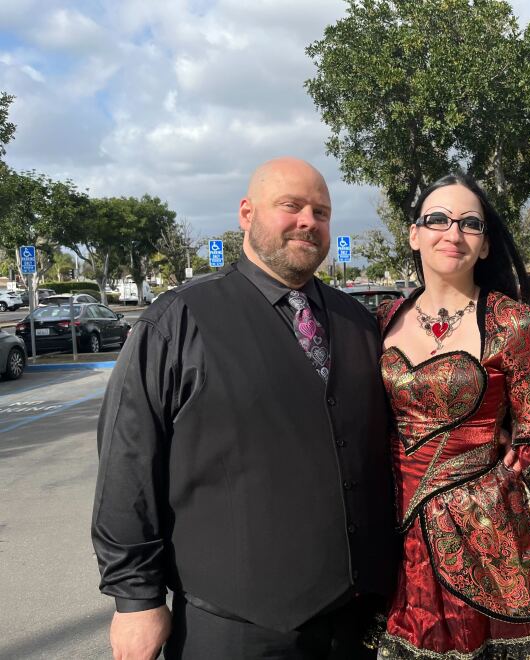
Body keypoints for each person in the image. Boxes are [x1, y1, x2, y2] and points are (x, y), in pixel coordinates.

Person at [91, 157, 398, 659]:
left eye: (321, 212)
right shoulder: (178, 321)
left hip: (356, 619)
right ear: (246, 213)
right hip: (236, 627)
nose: (308, 221)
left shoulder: (357, 322)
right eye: (291, 206)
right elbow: (128, 462)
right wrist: (136, 598)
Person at [375, 173, 530, 659]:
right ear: (414, 234)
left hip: (483, 534)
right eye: (437, 219)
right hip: (389, 534)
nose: (453, 232)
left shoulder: (513, 323)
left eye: (470, 223)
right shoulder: (380, 320)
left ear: (484, 245)